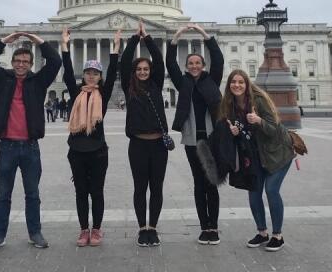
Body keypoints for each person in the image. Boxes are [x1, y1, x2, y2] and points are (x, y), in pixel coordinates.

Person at [0, 32, 62, 253]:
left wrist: (39, 41)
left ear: (31, 64)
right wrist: (4, 41)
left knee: (33, 194)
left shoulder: (39, 82)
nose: (21, 65)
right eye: (17, 61)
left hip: (30, 146)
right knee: (3, 195)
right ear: (12, 62)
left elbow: (55, 61)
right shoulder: (2, 79)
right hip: (7, 145)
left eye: (25, 62)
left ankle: (35, 232)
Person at [218, 69, 295, 252]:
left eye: (241, 82)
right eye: (233, 82)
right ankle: (262, 233)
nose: (237, 85)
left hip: (278, 153)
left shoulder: (258, 101)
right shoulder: (230, 106)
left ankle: (278, 235)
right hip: (255, 156)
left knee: (271, 190)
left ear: (247, 84)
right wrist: (235, 134)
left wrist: (259, 120)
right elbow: (241, 136)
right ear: (229, 85)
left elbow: (274, 130)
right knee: (254, 193)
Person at [61, 27, 121, 246]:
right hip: (76, 150)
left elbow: (114, 71)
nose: (92, 76)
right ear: (84, 74)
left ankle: (96, 229)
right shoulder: (76, 92)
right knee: (80, 192)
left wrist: (115, 49)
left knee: (96, 191)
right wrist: (65, 47)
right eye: (88, 72)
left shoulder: (102, 95)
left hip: (97, 151)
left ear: (100, 76)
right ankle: (83, 229)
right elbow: (67, 73)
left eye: (95, 73)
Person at [167, 23, 224, 245]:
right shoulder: (183, 84)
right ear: (187, 66)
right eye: (190, 63)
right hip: (192, 140)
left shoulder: (212, 80)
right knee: (199, 183)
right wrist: (177, 36)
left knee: (212, 182)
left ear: (203, 65)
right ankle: (204, 227)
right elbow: (170, 63)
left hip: (212, 139)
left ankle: (214, 227)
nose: (194, 66)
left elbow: (218, 59)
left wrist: (203, 34)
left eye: (197, 63)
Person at [120, 20, 169, 247]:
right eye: (138, 69)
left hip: (159, 145)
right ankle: (142, 228)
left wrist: (147, 38)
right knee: (140, 188)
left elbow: (158, 60)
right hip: (138, 145)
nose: (142, 72)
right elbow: (123, 65)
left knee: (157, 188)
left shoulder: (156, 85)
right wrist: (132, 40)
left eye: (145, 69)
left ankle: (154, 227)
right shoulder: (129, 87)